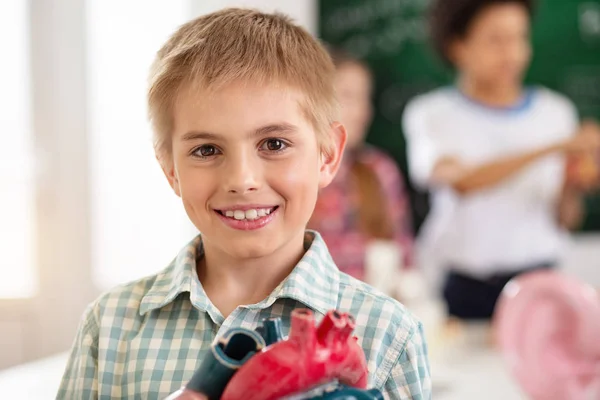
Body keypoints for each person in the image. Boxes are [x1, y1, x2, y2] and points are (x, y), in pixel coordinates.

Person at [57, 8, 431, 399]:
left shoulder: (389, 333)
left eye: (274, 144)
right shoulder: (109, 328)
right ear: (170, 168)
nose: (242, 180)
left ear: (327, 156)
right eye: (206, 149)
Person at [403, 0, 600, 321]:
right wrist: (554, 147)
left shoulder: (555, 112)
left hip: (541, 282)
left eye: (519, 38)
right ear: (458, 47)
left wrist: (574, 184)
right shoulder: (432, 114)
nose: (512, 54)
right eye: (496, 40)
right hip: (465, 289)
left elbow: (565, 218)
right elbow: (463, 182)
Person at [308, 48, 414, 284]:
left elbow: (405, 259)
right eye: (348, 97)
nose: (363, 112)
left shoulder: (379, 169)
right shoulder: (289, 173)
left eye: (365, 99)